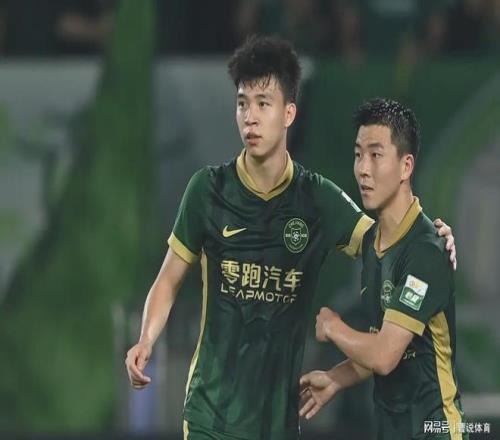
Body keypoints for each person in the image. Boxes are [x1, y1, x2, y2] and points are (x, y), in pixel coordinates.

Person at [125, 37, 455, 440]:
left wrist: (433, 237)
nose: (250, 117)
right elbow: (169, 278)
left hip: (278, 421)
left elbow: (388, 244)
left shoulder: (317, 198)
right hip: (210, 417)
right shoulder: (208, 190)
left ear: (289, 113)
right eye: (242, 104)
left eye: (263, 104)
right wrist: (146, 339)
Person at [300, 98, 466, 439]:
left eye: (376, 155)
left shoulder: (426, 252)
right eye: (358, 154)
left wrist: (333, 327)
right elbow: (388, 344)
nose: (363, 168)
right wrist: (336, 378)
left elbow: (385, 355)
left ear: (406, 166)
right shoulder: (373, 243)